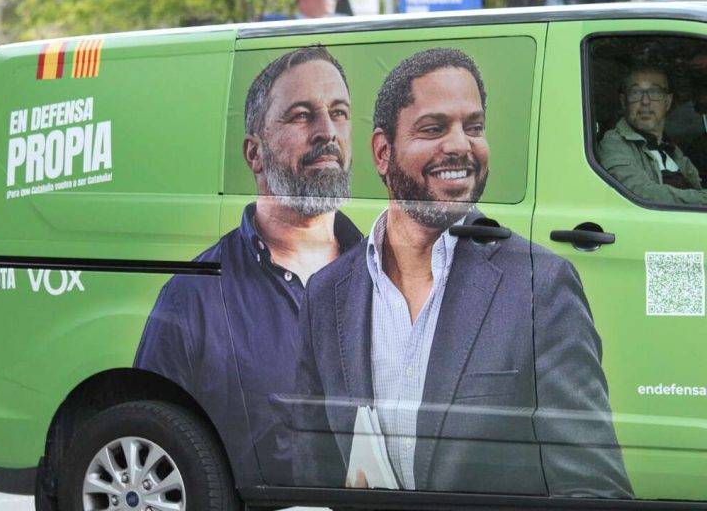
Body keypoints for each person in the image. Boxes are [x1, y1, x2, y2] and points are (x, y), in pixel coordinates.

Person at [292, 48, 633, 498]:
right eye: (434, 128)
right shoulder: (327, 293)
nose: (460, 145)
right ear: (382, 152)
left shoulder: (539, 287)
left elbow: (594, 488)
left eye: (473, 127)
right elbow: (311, 473)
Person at [134, 46, 362, 486]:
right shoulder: (193, 297)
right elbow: (154, 442)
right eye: (301, 116)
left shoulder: (390, 279)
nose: (327, 132)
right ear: (254, 154)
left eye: (339, 113)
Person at [598, 64, 707, 205]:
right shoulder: (614, 145)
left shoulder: (671, 148)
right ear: (624, 102)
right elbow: (640, 193)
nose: (645, 101)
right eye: (635, 93)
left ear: (667, 102)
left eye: (655, 92)